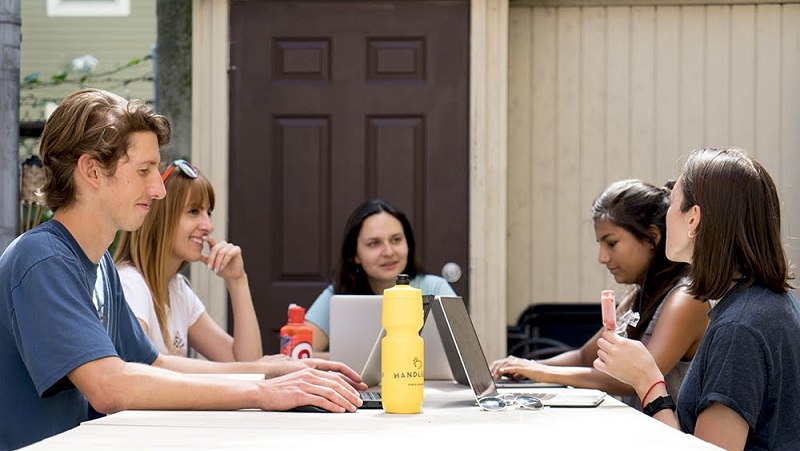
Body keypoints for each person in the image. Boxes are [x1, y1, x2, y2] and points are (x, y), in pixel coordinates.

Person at [0, 89, 365, 451]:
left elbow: (153, 363)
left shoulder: (101, 265)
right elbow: (109, 386)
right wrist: (262, 391)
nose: (158, 190)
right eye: (144, 171)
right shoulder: (43, 260)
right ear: (92, 171)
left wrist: (271, 371)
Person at [594, 148, 800, 450]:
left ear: (693, 218)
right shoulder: (774, 305)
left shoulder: (740, 328)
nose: (666, 218)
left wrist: (648, 382)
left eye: (672, 204)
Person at [490, 179, 709, 408]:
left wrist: (541, 372)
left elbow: (637, 378)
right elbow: (585, 357)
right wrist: (521, 367)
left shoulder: (686, 298)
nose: (602, 257)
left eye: (611, 243)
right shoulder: (639, 297)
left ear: (652, 238)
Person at [114, 161, 264, 362]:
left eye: (208, 212)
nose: (208, 226)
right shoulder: (130, 284)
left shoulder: (177, 290)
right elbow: (136, 370)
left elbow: (247, 365)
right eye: (194, 211)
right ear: (158, 218)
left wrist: (237, 281)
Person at [305, 198, 456, 352]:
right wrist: (342, 361)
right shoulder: (338, 294)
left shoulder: (435, 288)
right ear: (354, 255)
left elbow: (463, 354)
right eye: (374, 243)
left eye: (396, 240)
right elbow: (299, 354)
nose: (389, 252)